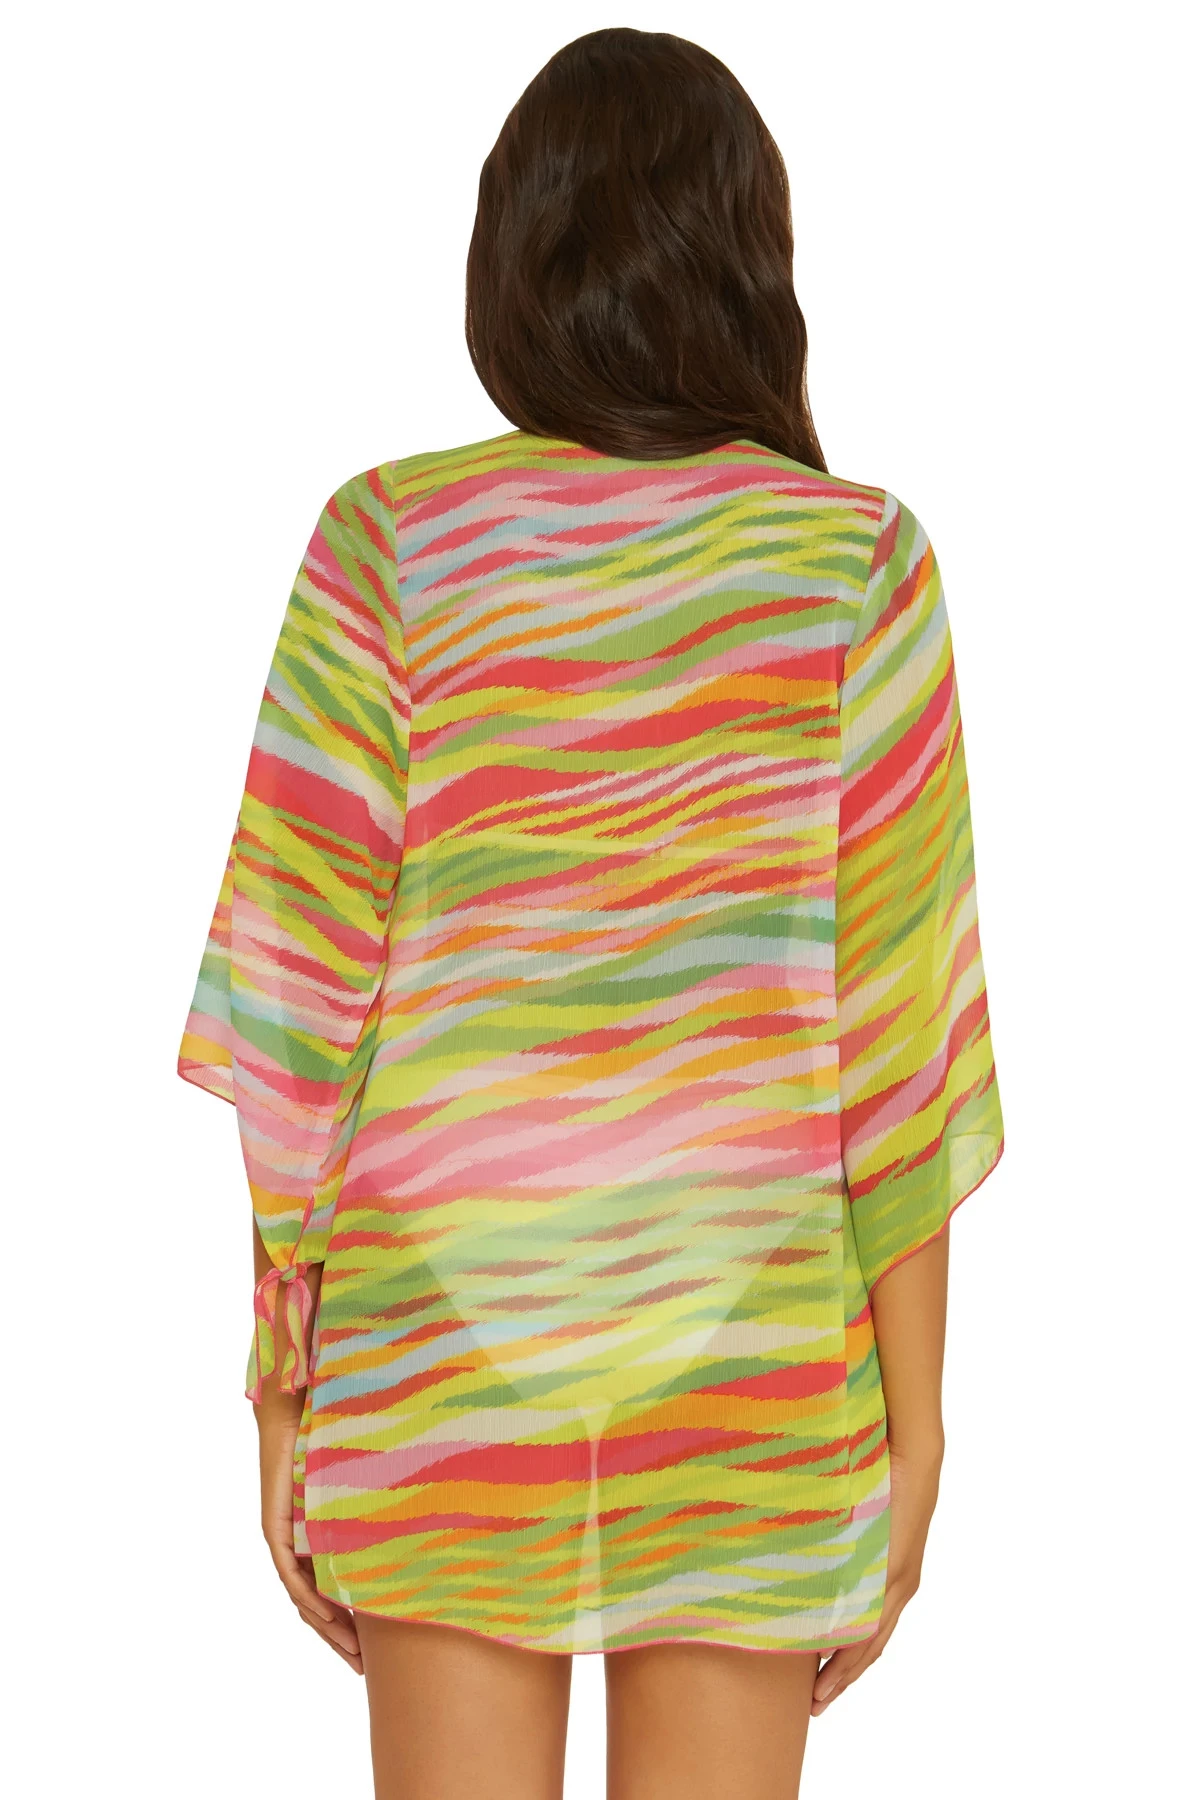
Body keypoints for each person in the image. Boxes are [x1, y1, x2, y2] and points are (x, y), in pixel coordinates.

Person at [178, 26, 1004, 1800]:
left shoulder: (389, 545)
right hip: (752, 1352)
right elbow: (902, 1049)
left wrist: (280, 1384)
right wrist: (921, 1429)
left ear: (510, 258)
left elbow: (297, 1011)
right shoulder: (857, 566)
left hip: (439, 1334)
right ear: (752, 261)